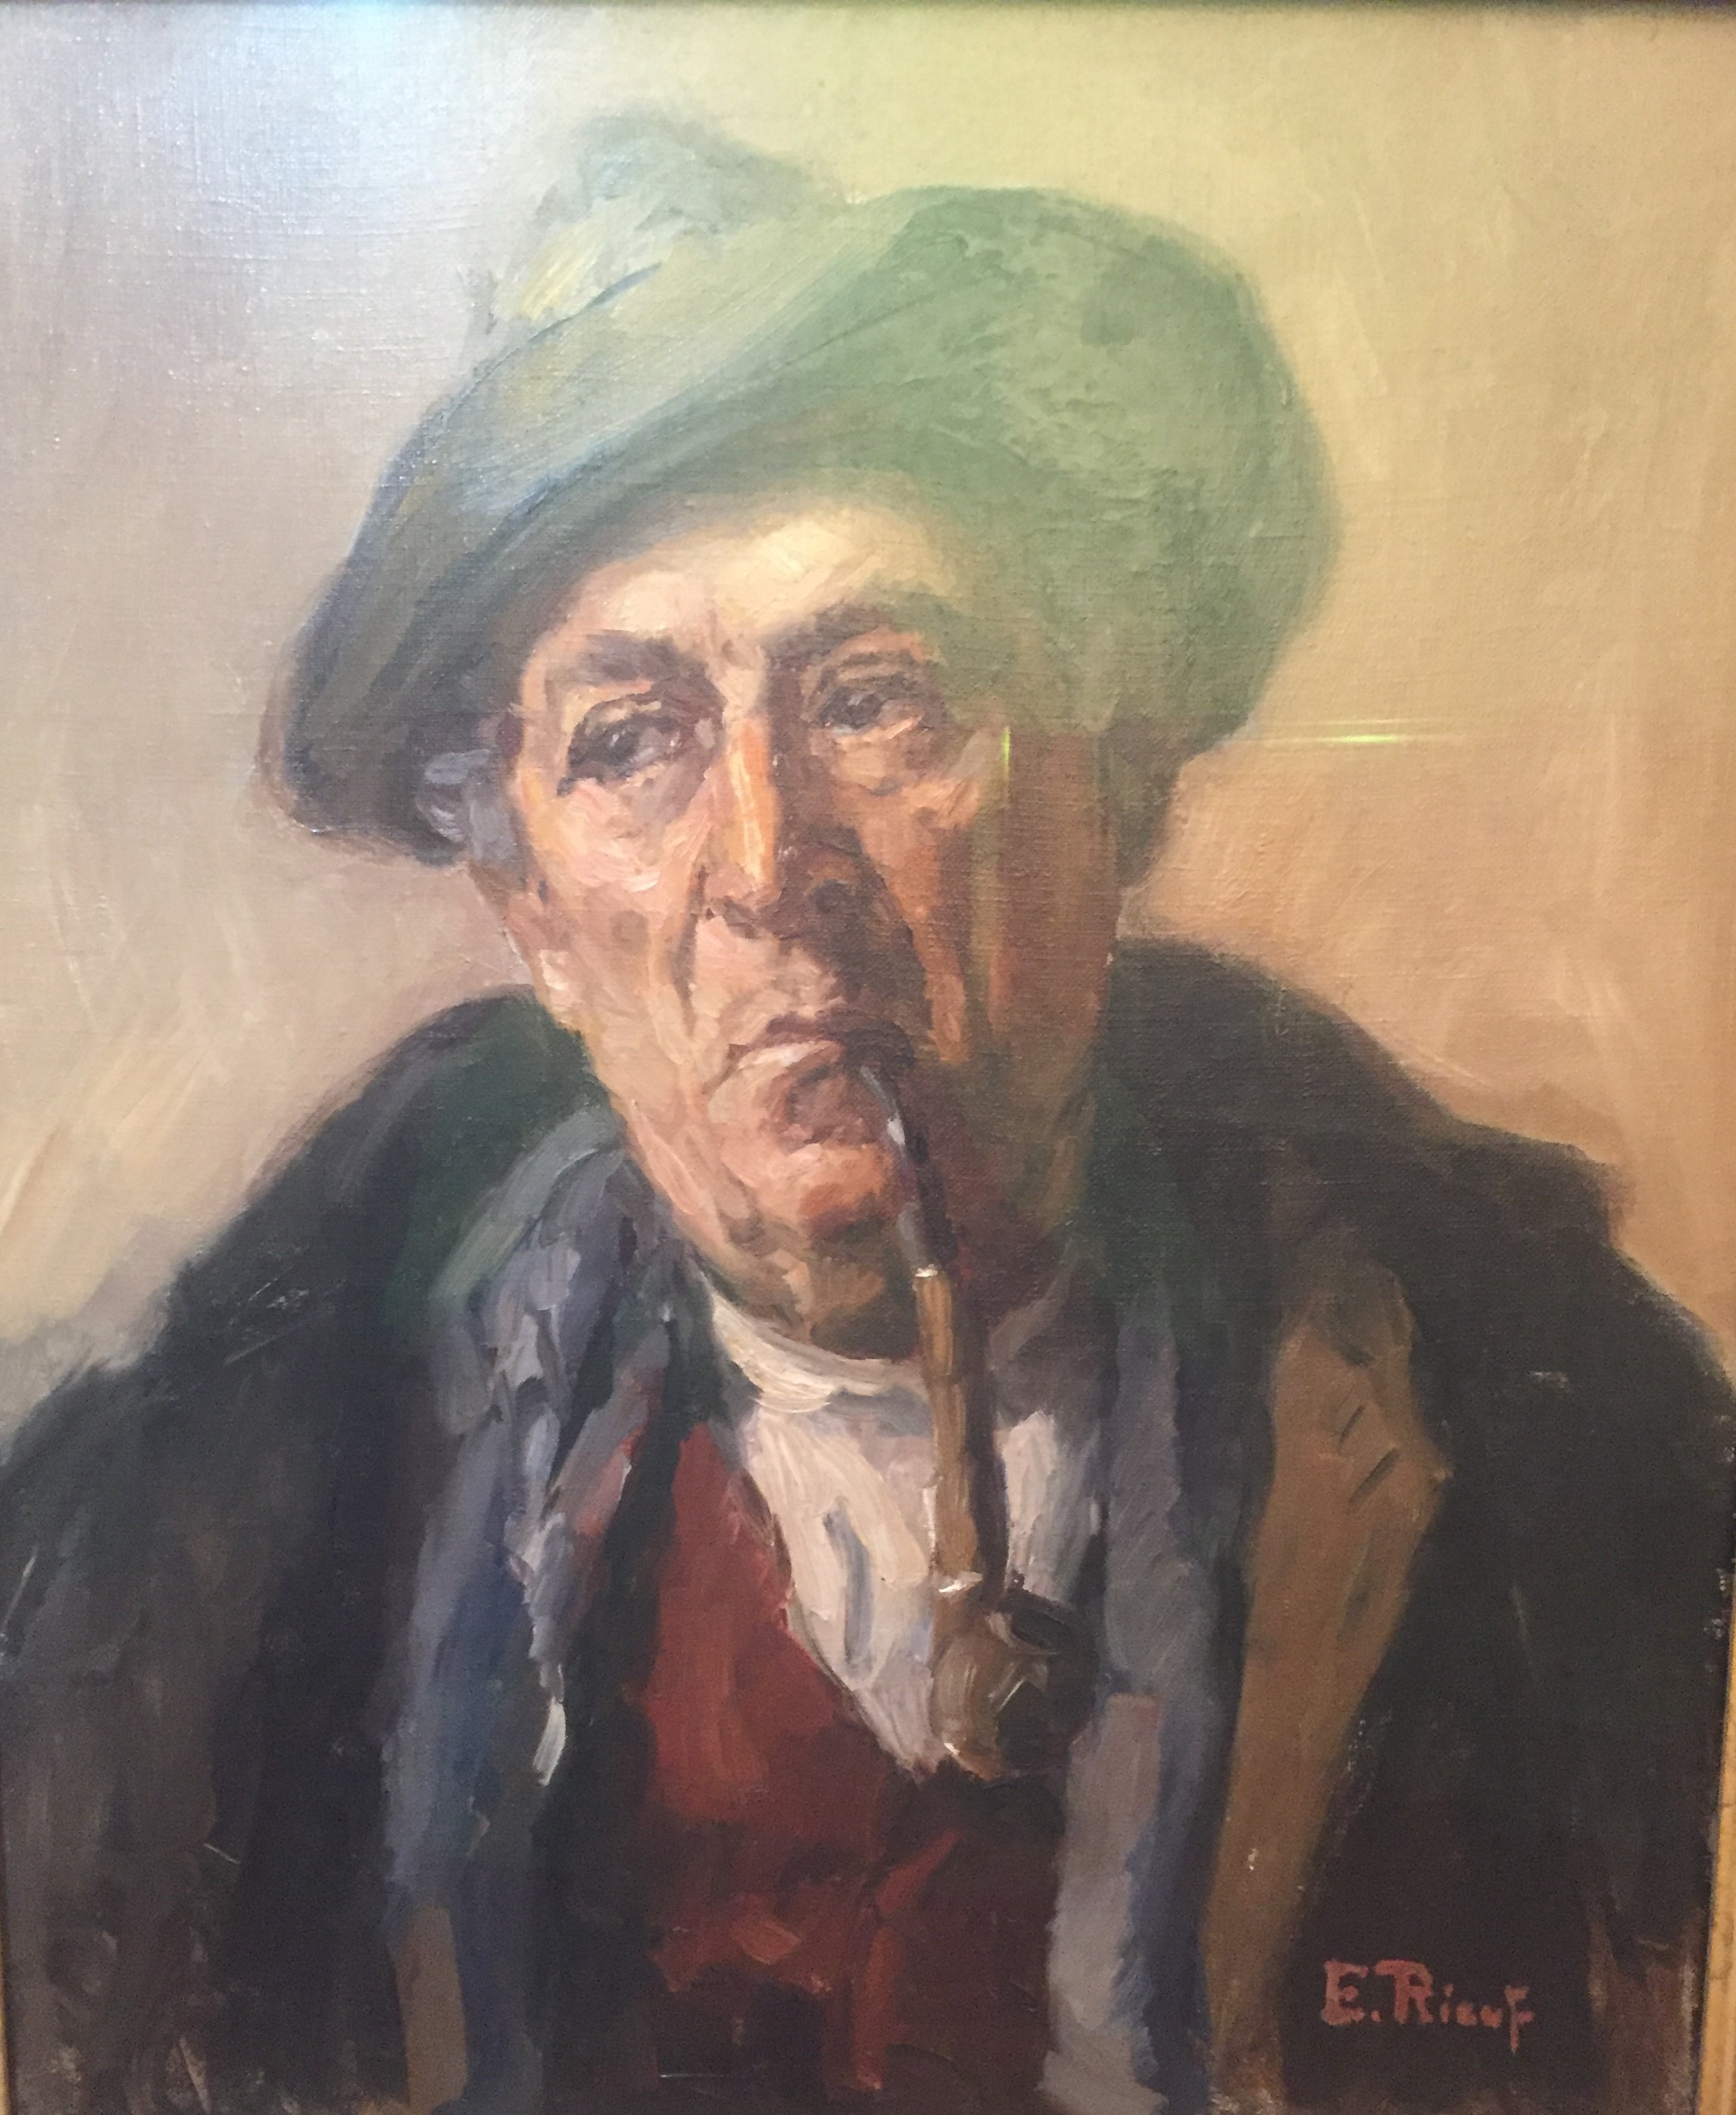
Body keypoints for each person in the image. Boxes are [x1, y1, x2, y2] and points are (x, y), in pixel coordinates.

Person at [1, 117, 1730, 2115]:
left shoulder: (1560, 1476)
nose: (769, 864)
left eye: (878, 695)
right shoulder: (213, 1557)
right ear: (532, 909)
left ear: (1114, 778)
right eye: (631, 741)